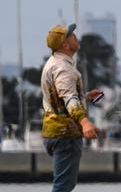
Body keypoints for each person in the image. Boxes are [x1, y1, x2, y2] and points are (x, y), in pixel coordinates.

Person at [40, 24, 101, 192]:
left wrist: (86, 96)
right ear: (65, 46)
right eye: (72, 36)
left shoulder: (53, 63)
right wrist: (85, 122)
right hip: (65, 134)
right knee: (63, 186)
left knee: (63, 184)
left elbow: (59, 97)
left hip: (54, 131)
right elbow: (69, 99)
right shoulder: (64, 69)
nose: (76, 37)